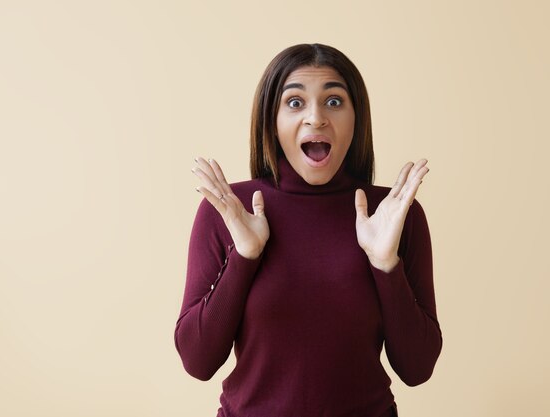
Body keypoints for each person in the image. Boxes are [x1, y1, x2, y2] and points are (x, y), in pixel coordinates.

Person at [174, 43, 443, 417]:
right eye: (295, 102)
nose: (316, 118)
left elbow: (417, 369)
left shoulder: (394, 214)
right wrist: (244, 257)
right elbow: (197, 360)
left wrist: (386, 265)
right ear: (272, 120)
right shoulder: (228, 210)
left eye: (334, 101)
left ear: (356, 118)